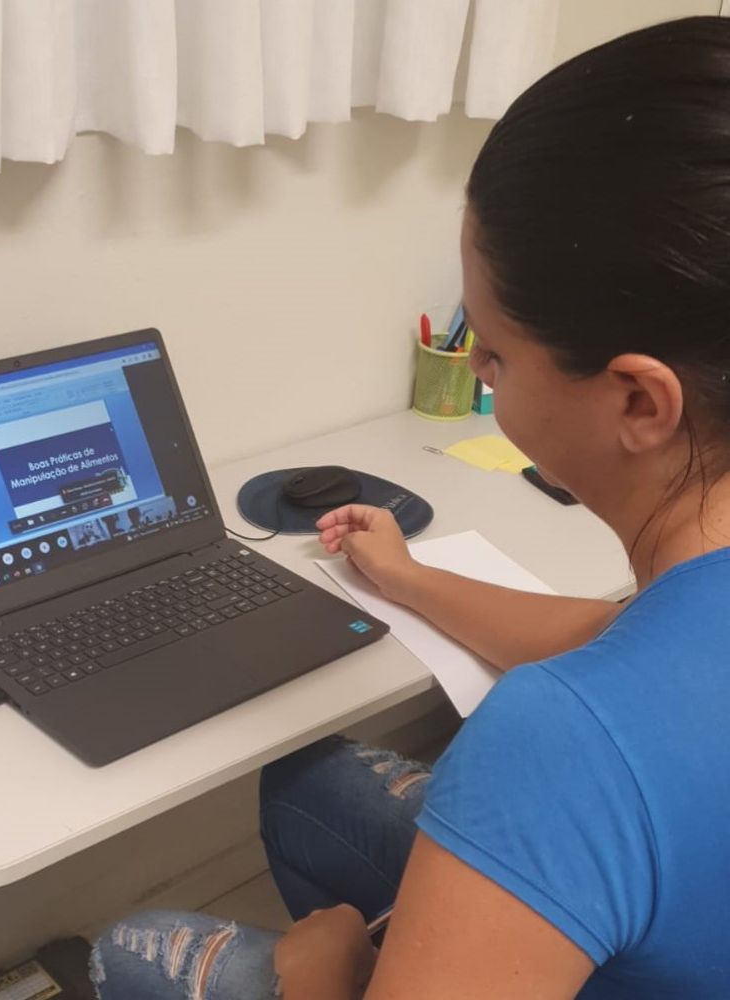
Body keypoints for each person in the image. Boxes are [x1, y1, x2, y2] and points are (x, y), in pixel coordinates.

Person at [90, 16, 730, 998]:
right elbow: (622, 640)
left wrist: (322, 972)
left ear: (639, 403)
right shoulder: (674, 642)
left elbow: (600, 706)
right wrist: (407, 578)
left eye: (494, 354)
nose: (479, 374)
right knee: (306, 782)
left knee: (135, 947)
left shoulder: (557, 743)